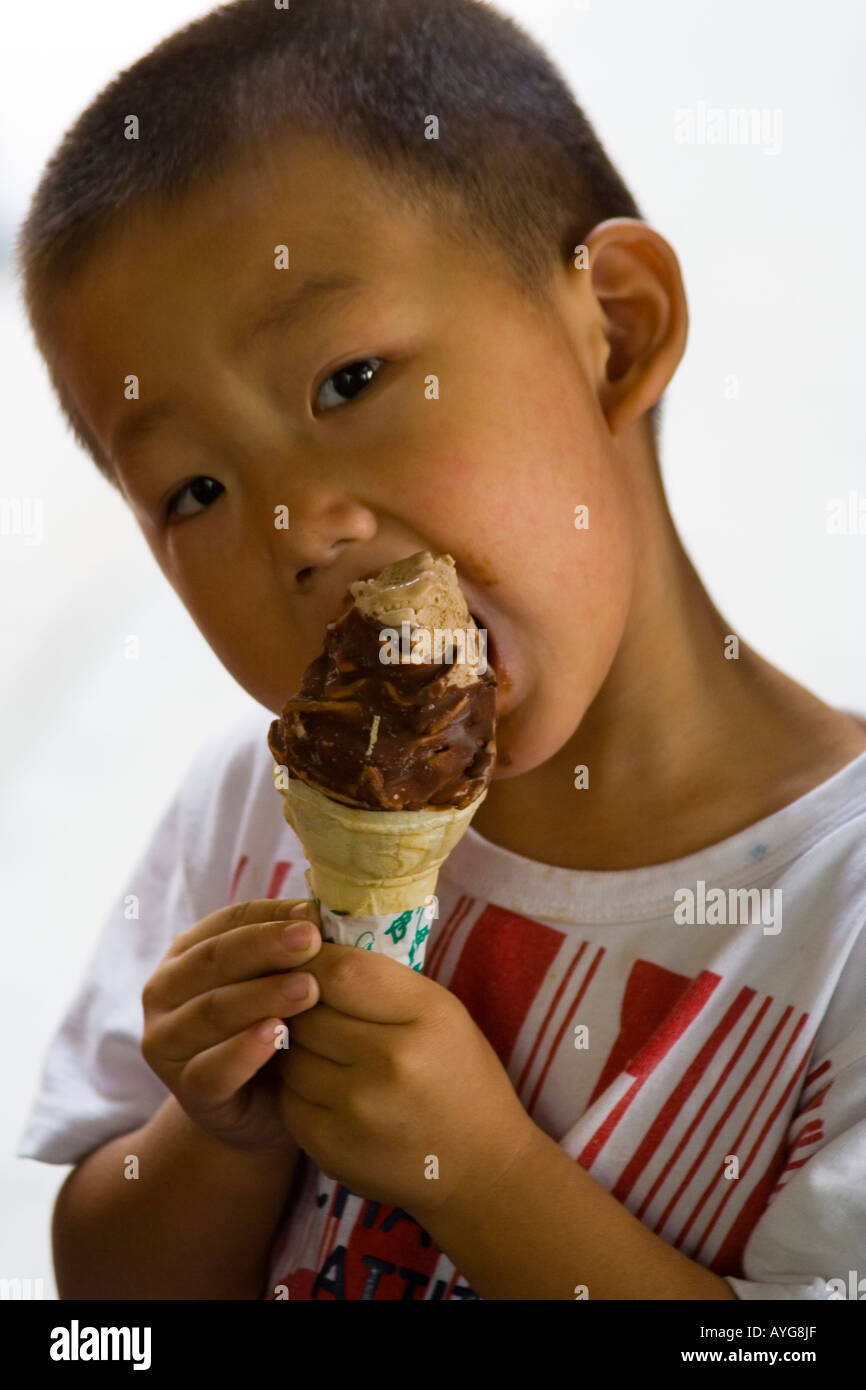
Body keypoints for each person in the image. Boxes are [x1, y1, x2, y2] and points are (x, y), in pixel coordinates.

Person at [16, 0, 866, 1300]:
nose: (298, 534)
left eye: (347, 380)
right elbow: (102, 1294)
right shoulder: (247, 816)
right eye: (193, 491)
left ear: (616, 331)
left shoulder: (839, 921)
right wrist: (220, 1139)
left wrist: (480, 1176)